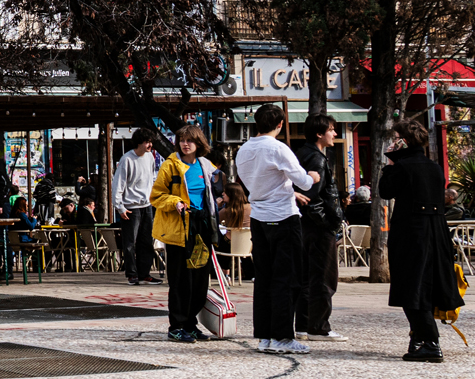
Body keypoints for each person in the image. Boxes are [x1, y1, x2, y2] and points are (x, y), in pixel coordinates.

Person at [233, 102, 318, 355]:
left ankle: (265, 336)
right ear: (280, 124)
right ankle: (282, 337)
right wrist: (313, 176)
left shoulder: (243, 150)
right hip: (282, 217)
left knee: (264, 278)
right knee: (287, 278)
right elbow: (303, 181)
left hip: (259, 217)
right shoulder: (278, 148)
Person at [379, 119, 456, 363]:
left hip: (412, 232)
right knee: (425, 284)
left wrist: (390, 163)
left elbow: (385, 191)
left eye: (396, 139)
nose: (393, 143)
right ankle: (419, 338)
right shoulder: (434, 167)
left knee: (410, 285)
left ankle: (430, 342)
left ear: (403, 141)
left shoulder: (402, 167)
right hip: (436, 230)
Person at [148, 123, 221, 343]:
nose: (185, 144)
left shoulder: (206, 165)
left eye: (190, 140)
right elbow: (156, 196)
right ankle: (177, 326)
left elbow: (214, 193)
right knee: (181, 280)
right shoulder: (170, 166)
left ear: (199, 143)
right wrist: (175, 202)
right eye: (181, 140)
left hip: (202, 226)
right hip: (179, 229)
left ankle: (190, 323)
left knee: (200, 280)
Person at [296, 115, 347, 340]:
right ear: (319, 134)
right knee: (324, 277)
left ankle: (304, 324)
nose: (334, 134)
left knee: (307, 277)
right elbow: (312, 198)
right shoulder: (316, 158)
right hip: (318, 227)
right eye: (331, 129)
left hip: (305, 226)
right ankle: (318, 327)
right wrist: (327, 223)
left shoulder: (303, 154)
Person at [113, 128, 161, 285]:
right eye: (147, 142)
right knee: (130, 243)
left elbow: (152, 178)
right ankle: (132, 274)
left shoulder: (150, 157)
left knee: (146, 241)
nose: (150, 145)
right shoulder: (127, 159)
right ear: (139, 142)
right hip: (130, 206)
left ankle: (144, 273)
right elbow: (118, 183)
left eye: (151, 142)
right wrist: (120, 207)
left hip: (147, 204)